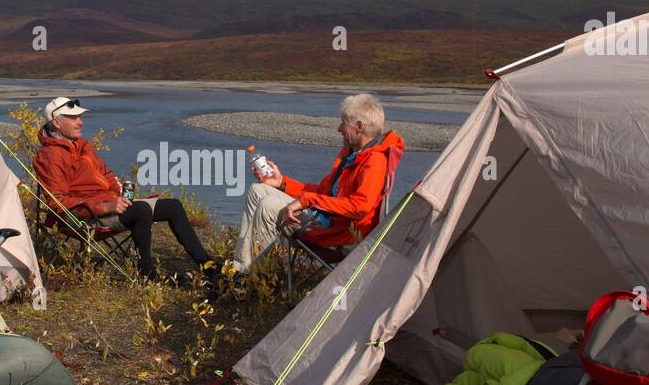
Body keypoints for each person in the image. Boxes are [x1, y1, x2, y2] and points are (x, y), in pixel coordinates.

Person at [33, 96, 219, 284]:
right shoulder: (49, 156)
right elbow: (58, 203)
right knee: (140, 211)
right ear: (56, 123)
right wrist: (105, 207)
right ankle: (147, 275)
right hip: (84, 217)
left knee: (173, 206)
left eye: (80, 117)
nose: (80, 122)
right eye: (73, 118)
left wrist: (121, 192)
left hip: (111, 205)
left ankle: (209, 268)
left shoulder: (83, 145)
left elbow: (106, 174)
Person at [232, 93, 404, 272]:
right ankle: (240, 267)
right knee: (258, 190)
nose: (339, 128)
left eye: (343, 122)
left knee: (269, 205)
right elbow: (322, 192)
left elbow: (361, 207)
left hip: (339, 235)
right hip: (324, 220)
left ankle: (247, 277)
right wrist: (282, 183)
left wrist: (307, 201)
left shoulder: (374, 161)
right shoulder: (351, 154)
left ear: (359, 127)